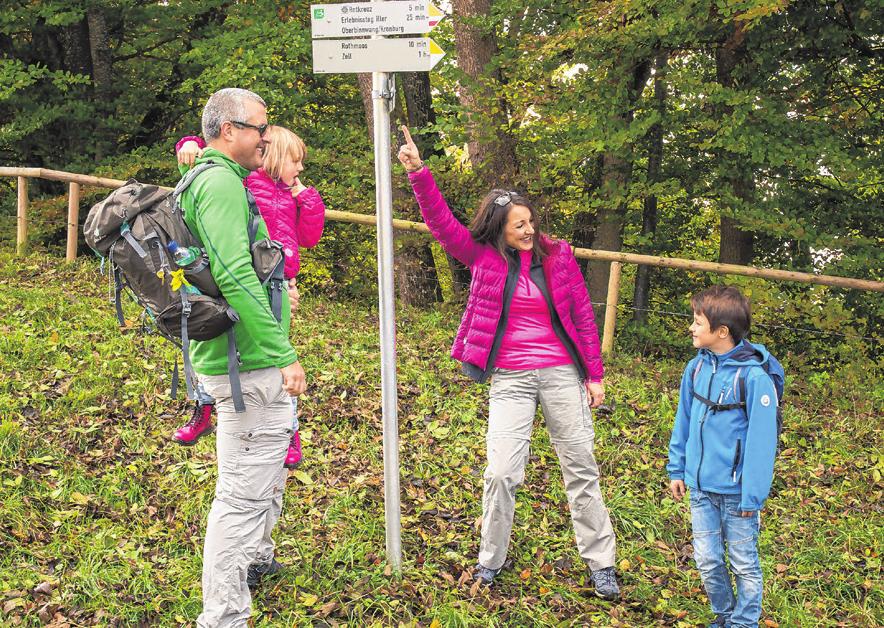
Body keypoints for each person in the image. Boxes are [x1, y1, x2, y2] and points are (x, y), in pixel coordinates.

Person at [397, 126, 620, 599]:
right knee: (501, 472)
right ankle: (490, 560)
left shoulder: (559, 257)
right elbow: (441, 224)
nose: (529, 230)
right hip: (511, 378)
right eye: (519, 225)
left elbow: (582, 315)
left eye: (530, 222)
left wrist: (594, 375)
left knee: (581, 466)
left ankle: (601, 563)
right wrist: (419, 172)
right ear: (499, 227)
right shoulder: (481, 256)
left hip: (562, 373)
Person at [175, 87, 307, 627]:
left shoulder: (212, 179)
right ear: (229, 130)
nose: (266, 137)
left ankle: (256, 559)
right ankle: (223, 615)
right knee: (240, 496)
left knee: (263, 473)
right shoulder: (219, 184)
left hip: (239, 357)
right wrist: (283, 353)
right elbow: (232, 272)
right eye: (260, 127)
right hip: (247, 361)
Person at [171, 126, 326, 470]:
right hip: (246, 281)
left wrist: (306, 197)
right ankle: (204, 405)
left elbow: (310, 237)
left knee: (275, 356)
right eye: (295, 161)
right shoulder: (243, 184)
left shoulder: (290, 196)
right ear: (273, 157)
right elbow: (202, 178)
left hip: (281, 281)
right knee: (220, 340)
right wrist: (190, 146)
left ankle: (290, 431)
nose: (300, 169)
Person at [667, 286, 779, 627]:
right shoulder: (696, 368)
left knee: (744, 563)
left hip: (737, 495)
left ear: (722, 331)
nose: (691, 327)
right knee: (707, 561)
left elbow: (763, 443)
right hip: (700, 489)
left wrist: (752, 494)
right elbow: (683, 419)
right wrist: (677, 468)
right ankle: (726, 615)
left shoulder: (755, 379)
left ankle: (744, 622)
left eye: (697, 322)